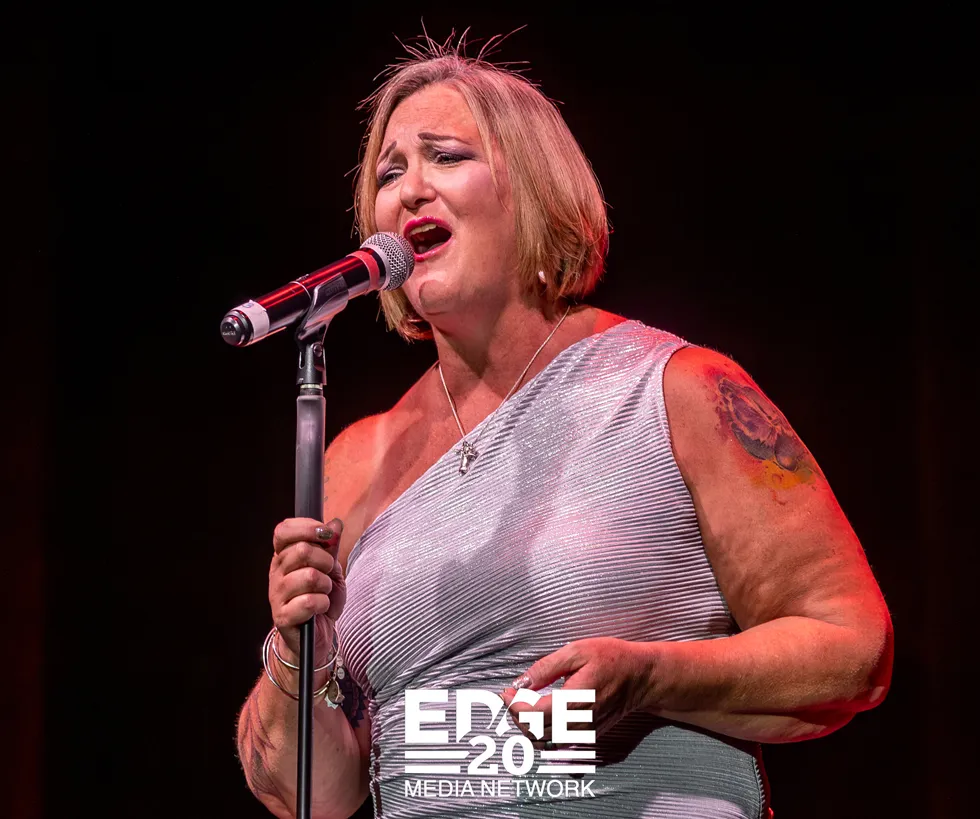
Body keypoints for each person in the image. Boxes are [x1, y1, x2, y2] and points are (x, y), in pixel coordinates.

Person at [236, 34, 893, 819]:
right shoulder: (358, 458)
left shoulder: (676, 389)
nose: (410, 190)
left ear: (534, 188)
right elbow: (310, 795)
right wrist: (297, 653)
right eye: (388, 172)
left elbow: (853, 647)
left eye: (445, 156)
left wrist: (649, 677)